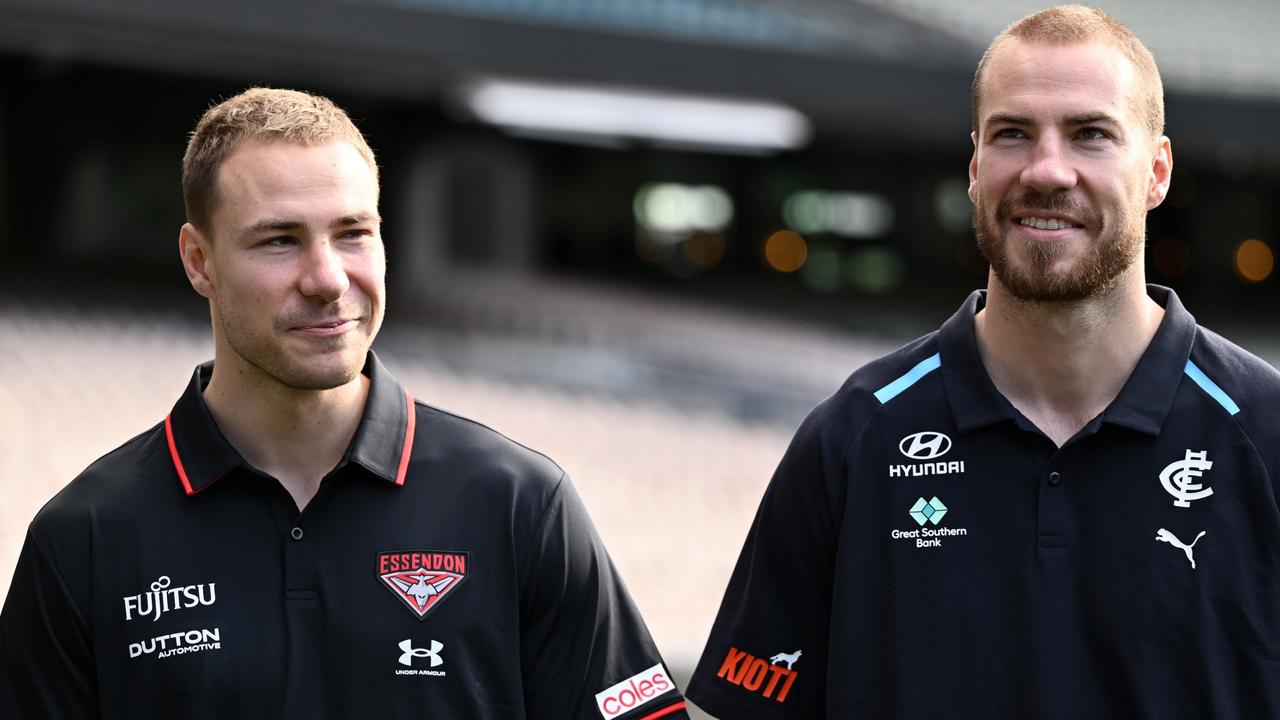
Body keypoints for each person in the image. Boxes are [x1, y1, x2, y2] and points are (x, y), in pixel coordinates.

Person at [0, 88, 689, 720]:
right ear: (198, 260)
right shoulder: (86, 537)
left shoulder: (520, 505)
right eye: (280, 240)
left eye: (353, 233)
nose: (328, 279)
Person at [687, 5, 1280, 719]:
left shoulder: (1266, 435)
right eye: (1013, 134)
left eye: (1090, 134)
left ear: (1156, 172)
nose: (1047, 170)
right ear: (975, 169)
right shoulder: (853, 440)